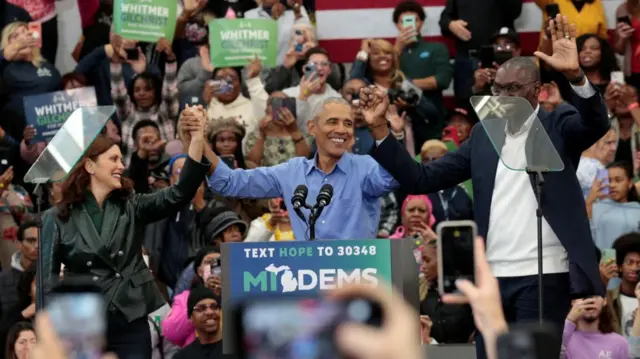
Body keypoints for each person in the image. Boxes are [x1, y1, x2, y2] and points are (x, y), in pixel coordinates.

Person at [365, 15, 609, 359]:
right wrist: (380, 132)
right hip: (491, 277)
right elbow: (423, 178)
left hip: (543, 274)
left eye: (514, 89)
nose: (504, 96)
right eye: (499, 89)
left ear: (537, 91)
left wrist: (575, 76)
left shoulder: (559, 125)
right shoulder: (482, 135)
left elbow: (595, 122)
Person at [40, 107, 210, 359]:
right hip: (84, 324)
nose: (121, 166)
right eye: (114, 159)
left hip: (130, 318)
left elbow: (179, 193)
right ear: (89, 166)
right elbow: (47, 283)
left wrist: (198, 140)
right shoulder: (55, 217)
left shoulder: (132, 205)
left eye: (121, 159)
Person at [205, 96, 398, 241]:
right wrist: (200, 141)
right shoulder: (292, 171)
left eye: (348, 124)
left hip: (358, 280)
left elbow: (392, 178)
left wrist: (387, 130)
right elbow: (229, 182)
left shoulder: (366, 167)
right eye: (332, 122)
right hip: (309, 282)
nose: (341, 129)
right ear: (312, 128)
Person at [561, 295, 627, 358]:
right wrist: (570, 319)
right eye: (583, 295)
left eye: (595, 295)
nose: (590, 301)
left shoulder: (619, 343)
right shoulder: (564, 341)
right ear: (573, 301)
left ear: (604, 300)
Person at [173, 285, 224, 359]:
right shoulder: (183, 356)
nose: (209, 312)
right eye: (201, 308)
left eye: (214, 307)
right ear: (191, 317)